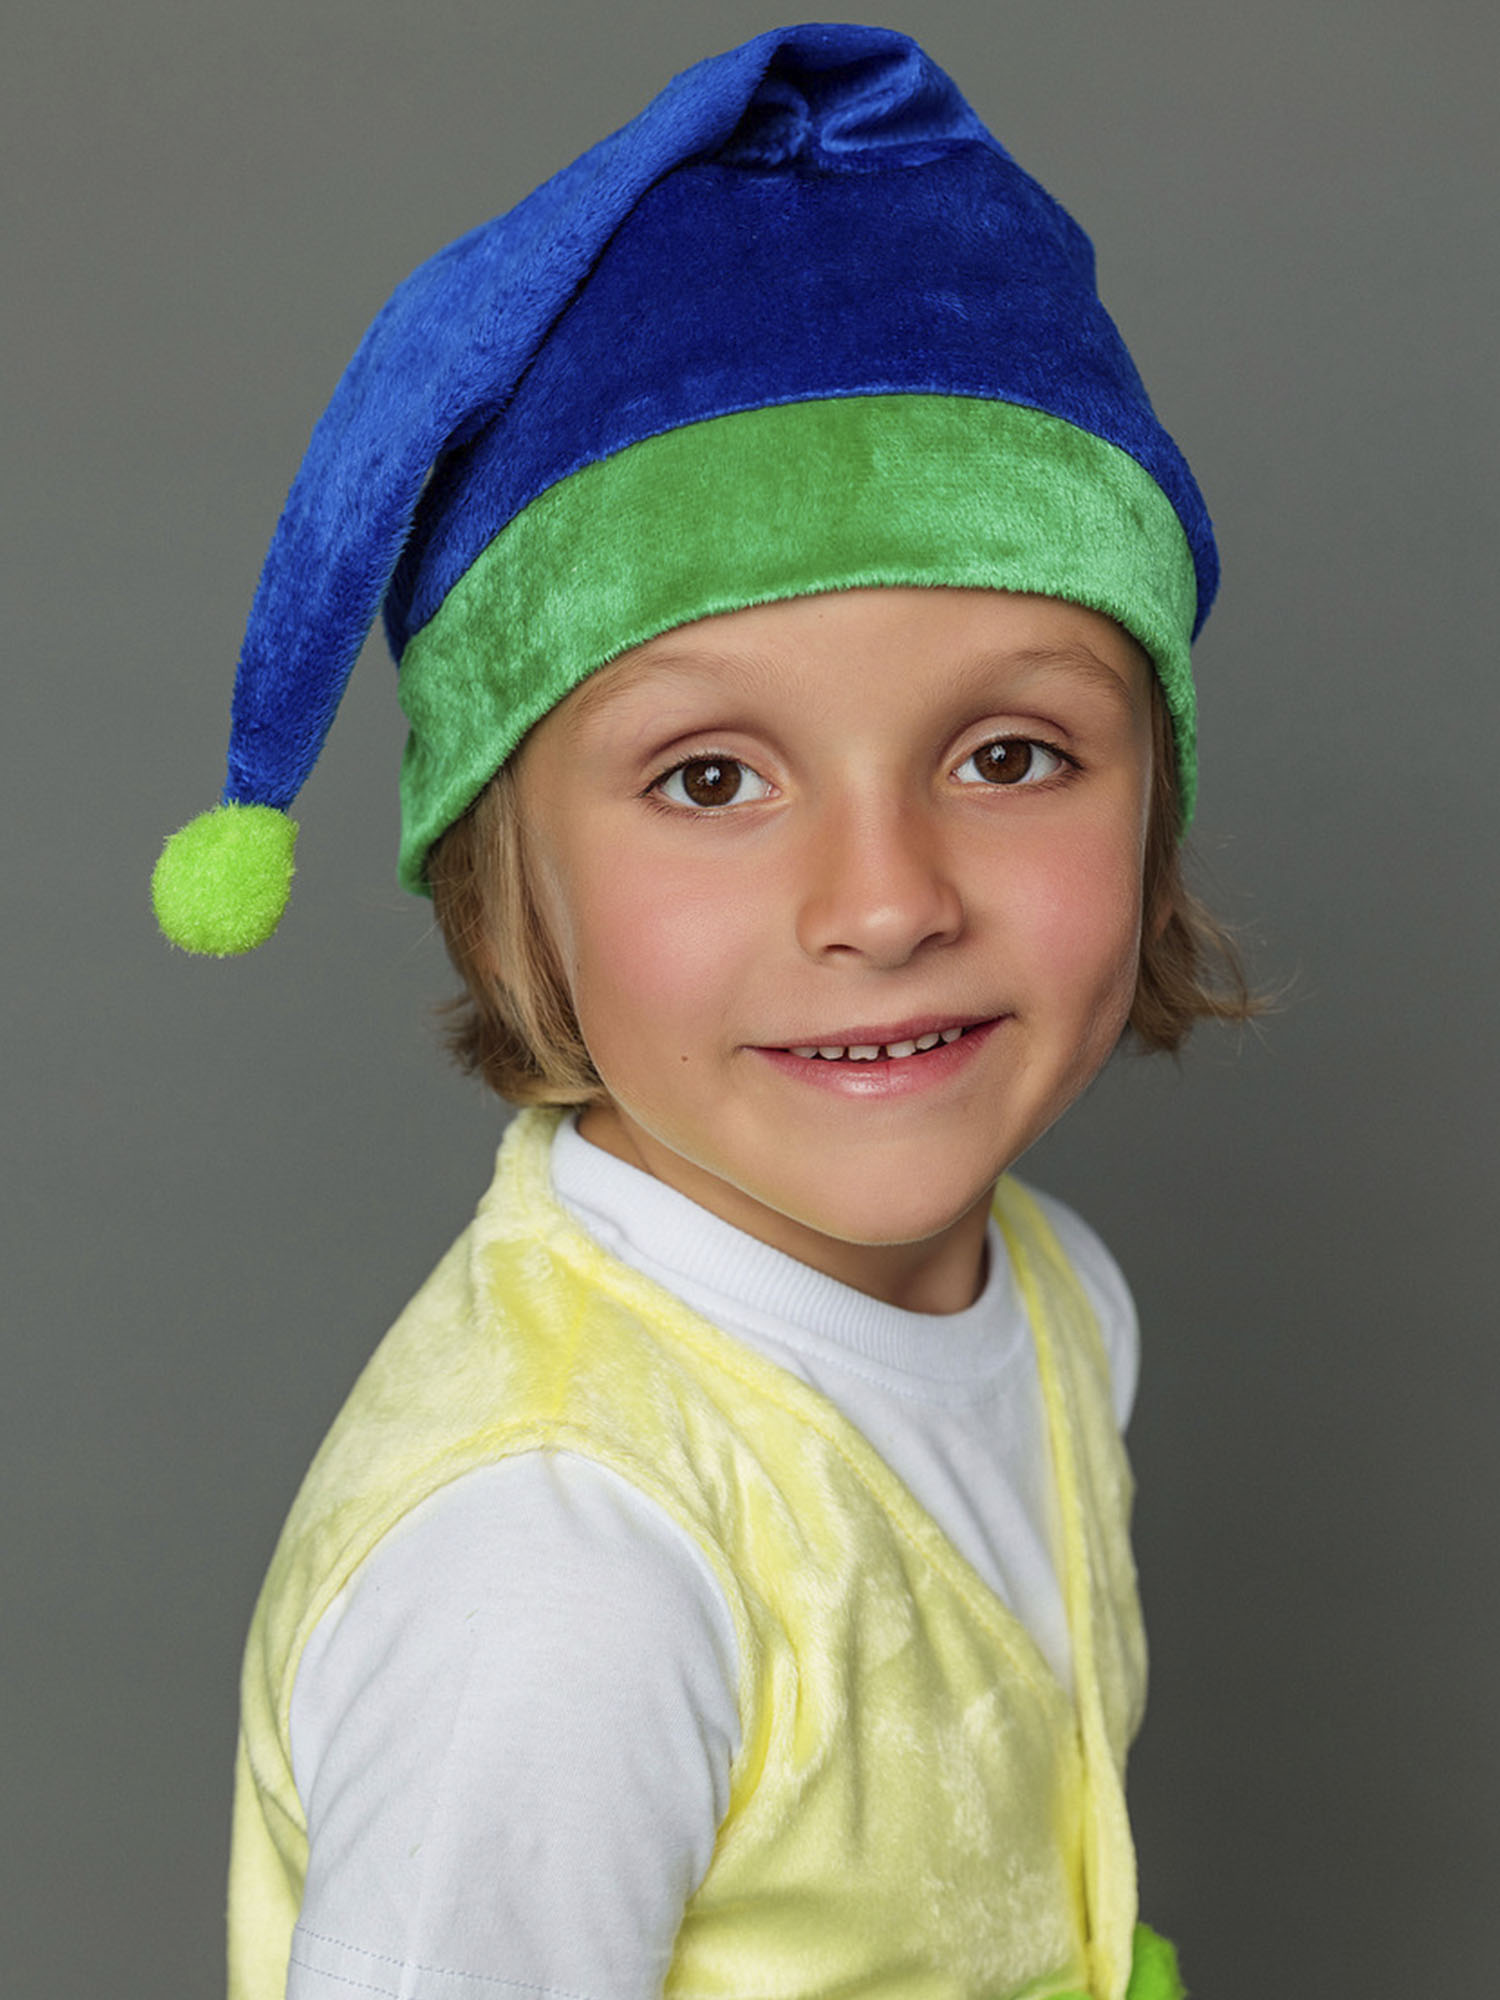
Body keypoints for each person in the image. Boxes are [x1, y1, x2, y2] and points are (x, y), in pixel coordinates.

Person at [153, 24, 1255, 2000]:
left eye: (1010, 754)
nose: (888, 901)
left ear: (1155, 795)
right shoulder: (559, 1570)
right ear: (508, 877)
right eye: (713, 778)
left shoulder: (1057, 1299)